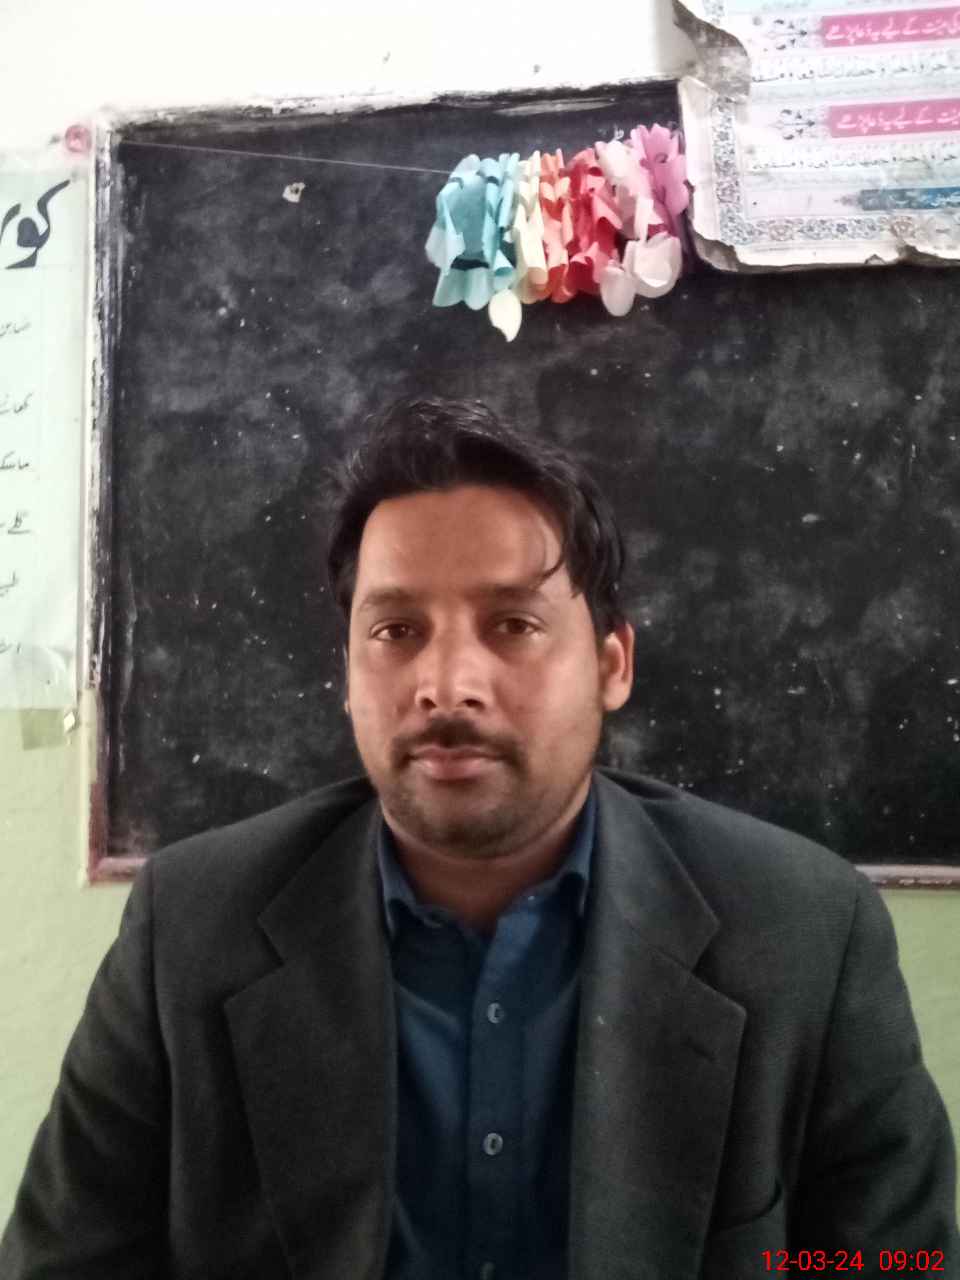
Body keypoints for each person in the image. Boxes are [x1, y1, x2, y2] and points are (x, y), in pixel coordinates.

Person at [1, 395, 957, 1280]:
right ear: (347, 671)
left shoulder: (803, 933)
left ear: (612, 664)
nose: (447, 684)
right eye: (396, 631)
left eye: (512, 624)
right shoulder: (191, 929)